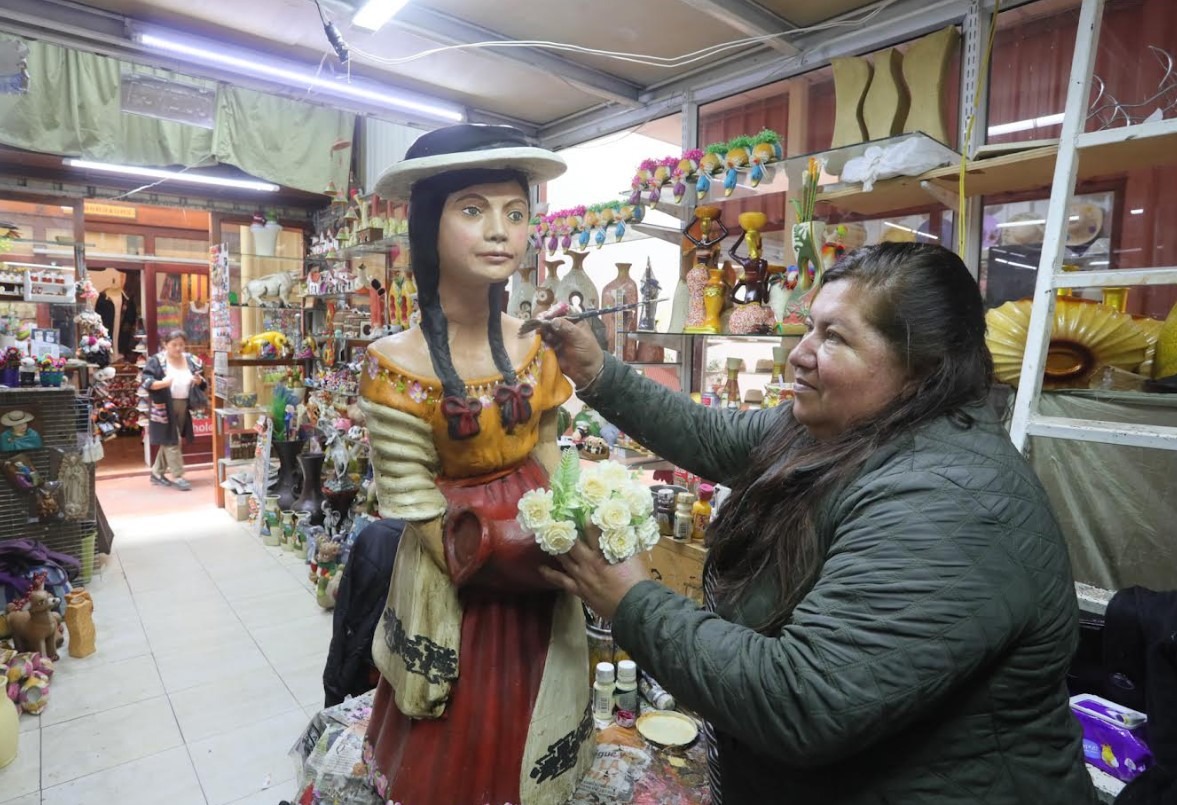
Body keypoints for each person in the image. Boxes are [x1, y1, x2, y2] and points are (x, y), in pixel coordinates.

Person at [537, 242, 1098, 804]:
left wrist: (633, 601)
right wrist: (596, 370)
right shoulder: (847, 424)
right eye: (810, 328)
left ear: (923, 365)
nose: (800, 354)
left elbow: (803, 699)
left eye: (835, 337)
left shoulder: (955, 498)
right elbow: (713, 436)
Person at [357, 124, 594, 805]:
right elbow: (411, 497)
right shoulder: (395, 365)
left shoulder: (535, 344)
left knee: (541, 690)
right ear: (427, 225)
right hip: (457, 564)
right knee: (454, 735)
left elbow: (548, 446)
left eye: (515, 213)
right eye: (472, 209)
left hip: (537, 553)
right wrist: (494, 554)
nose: (500, 231)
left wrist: (562, 525)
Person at [140, 329, 206, 491]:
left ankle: (156, 473)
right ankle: (178, 475)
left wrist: (199, 381)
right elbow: (146, 382)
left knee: (169, 439)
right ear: (165, 345)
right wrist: (163, 383)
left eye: (181, 345)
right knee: (173, 440)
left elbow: (202, 382)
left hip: (183, 405)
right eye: (174, 344)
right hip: (163, 406)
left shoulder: (191, 360)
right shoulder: (157, 361)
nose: (178, 348)